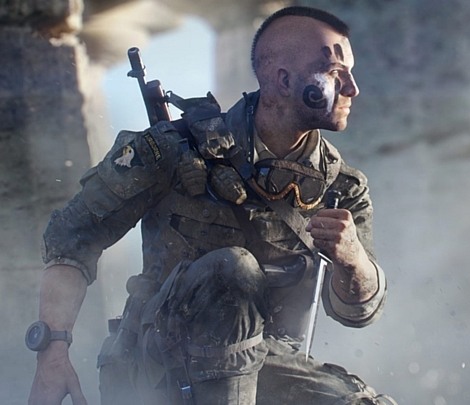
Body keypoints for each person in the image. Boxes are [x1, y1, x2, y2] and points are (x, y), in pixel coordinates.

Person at [27, 6, 395, 405]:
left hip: (266, 362)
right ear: (284, 80)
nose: (352, 88)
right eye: (335, 73)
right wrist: (52, 352)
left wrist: (352, 259)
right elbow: (73, 236)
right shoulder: (175, 149)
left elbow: (358, 312)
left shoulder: (342, 187)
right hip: (159, 365)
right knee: (232, 270)